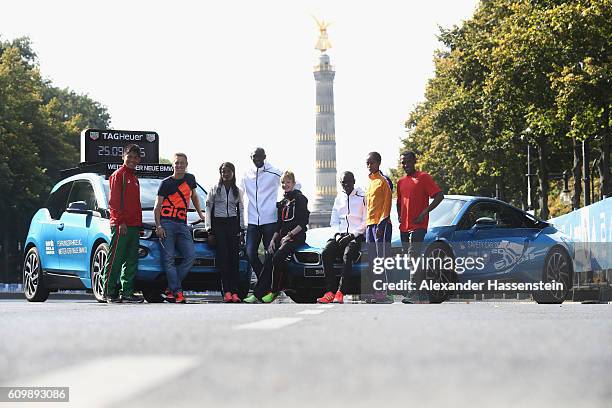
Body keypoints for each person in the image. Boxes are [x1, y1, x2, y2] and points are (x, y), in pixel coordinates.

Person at [244, 171, 309, 303]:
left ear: (294, 183)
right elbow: (279, 225)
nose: (285, 185)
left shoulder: (300, 199)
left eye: (288, 182)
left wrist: (290, 235)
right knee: (269, 255)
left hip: (296, 236)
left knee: (278, 257)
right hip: (283, 236)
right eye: (283, 183)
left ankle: (274, 291)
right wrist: (273, 240)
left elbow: (303, 222)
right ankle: (257, 294)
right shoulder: (283, 202)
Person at [154, 153, 205, 304]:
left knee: (190, 256)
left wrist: (200, 214)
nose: (179, 165)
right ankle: (177, 292)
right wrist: (158, 226)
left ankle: (171, 288)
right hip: (167, 223)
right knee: (168, 259)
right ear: (173, 165)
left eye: (182, 163)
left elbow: (194, 196)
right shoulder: (165, 183)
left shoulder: (190, 179)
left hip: (183, 224)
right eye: (177, 163)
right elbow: (157, 207)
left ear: (186, 164)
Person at [397, 151, 444, 304]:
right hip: (403, 227)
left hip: (418, 225)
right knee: (411, 259)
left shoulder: (423, 177)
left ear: (414, 161)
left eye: (408, 162)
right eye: (403, 162)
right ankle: (424, 293)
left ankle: (413, 294)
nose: (405, 165)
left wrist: (424, 213)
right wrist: (399, 217)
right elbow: (399, 202)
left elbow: (439, 196)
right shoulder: (401, 182)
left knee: (412, 257)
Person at [102, 144, 144, 303]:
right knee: (115, 259)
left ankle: (127, 293)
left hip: (134, 226)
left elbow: (135, 203)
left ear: (139, 160)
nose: (132, 160)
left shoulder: (134, 178)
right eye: (130, 156)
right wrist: (120, 222)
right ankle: (109, 292)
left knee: (131, 260)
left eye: (135, 157)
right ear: (123, 157)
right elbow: (113, 202)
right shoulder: (118, 175)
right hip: (122, 225)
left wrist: (138, 224)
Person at [317, 171, 367, 304]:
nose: (346, 184)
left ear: (354, 181)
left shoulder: (363, 196)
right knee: (326, 253)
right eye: (343, 182)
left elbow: (365, 221)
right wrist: (338, 235)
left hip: (356, 235)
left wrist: (352, 235)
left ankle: (341, 292)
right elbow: (334, 221)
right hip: (340, 235)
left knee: (348, 255)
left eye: (348, 181)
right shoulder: (338, 198)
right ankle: (330, 292)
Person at [240, 147, 282, 283]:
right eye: (254, 157)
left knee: (270, 254)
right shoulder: (246, 174)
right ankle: (265, 283)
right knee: (250, 253)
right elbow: (239, 194)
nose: (257, 159)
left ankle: (264, 286)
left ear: (264, 157)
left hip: (270, 219)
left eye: (259, 156)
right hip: (253, 220)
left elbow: (295, 184)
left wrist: (282, 202)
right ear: (250, 157)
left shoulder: (274, 172)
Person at [205, 162, 245, 303]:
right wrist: (209, 229)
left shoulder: (238, 191)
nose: (225, 174)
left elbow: (241, 211)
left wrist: (241, 230)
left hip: (233, 225)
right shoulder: (214, 189)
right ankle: (226, 292)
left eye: (228, 171)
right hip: (219, 225)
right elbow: (208, 209)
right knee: (224, 259)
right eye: (223, 171)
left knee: (234, 260)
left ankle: (235, 292)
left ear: (233, 173)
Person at [365, 151, 394, 303]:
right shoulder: (370, 182)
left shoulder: (384, 180)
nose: (369, 166)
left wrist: (382, 224)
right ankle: (377, 292)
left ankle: (386, 294)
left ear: (378, 163)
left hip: (381, 225)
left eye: (371, 162)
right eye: (367, 163)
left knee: (381, 260)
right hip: (370, 226)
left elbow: (387, 203)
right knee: (372, 260)